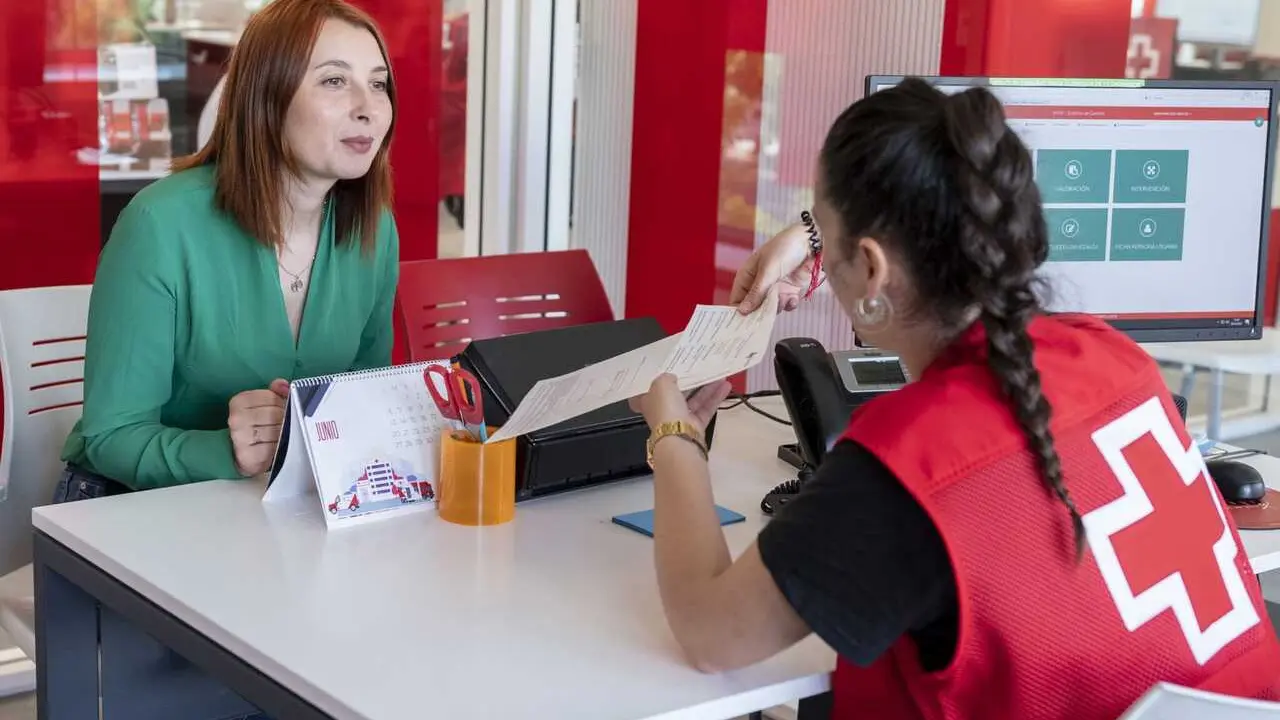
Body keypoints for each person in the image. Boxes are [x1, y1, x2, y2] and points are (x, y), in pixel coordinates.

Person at [628, 77, 1280, 719]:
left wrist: (674, 435)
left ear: (875, 265)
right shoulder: (1116, 359)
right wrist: (822, 232)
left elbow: (712, 634)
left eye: (824, 230)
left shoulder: (908, 469)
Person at [56, 0, 400, 499]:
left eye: (378, 83)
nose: (369, 107)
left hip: (278, 505)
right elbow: (111, 436)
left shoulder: (375, 227)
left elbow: (364, 394)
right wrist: (226, 451)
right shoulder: (161, 224)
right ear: (266, 96)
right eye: (333, 80)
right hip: (126, 507)